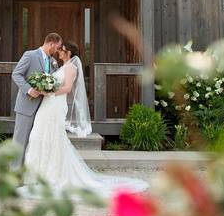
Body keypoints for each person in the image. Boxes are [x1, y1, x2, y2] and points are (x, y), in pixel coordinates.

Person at [22, 41, 148, 197]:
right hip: (48, 105)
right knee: (38, 135)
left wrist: (48, 92)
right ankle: (36, 173)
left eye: (61, 50)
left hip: (55, 104)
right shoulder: (61, 66)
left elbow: (67, 88)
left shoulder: (71, 68)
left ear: (68, 53)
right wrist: (45, 88)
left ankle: (52, 174)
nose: (59, 52)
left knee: (52, 136)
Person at [11, 32, 63, 162]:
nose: (57, 51)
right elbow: (16, 74)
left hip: (44, 109)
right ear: (51, 44)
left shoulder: (53, 62)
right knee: (20, 141)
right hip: (26, 106)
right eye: (57, 47)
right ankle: (14, 174)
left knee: (35, 142)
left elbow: (53, 82)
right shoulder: (30, 55)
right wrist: (29, 89)